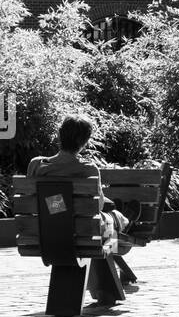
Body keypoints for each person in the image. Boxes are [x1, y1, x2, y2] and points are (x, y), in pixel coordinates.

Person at [26, 115, 138, 304]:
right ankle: (125, 221)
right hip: (84, 233)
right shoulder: (88, 169)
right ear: (84, 142)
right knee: (111, 231)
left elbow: (38, 201)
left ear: (59, 135)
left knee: (68, 212)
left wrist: (60, 206)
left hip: (45, 233)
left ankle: (122, 220)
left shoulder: (36, 165)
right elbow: (98, 205)